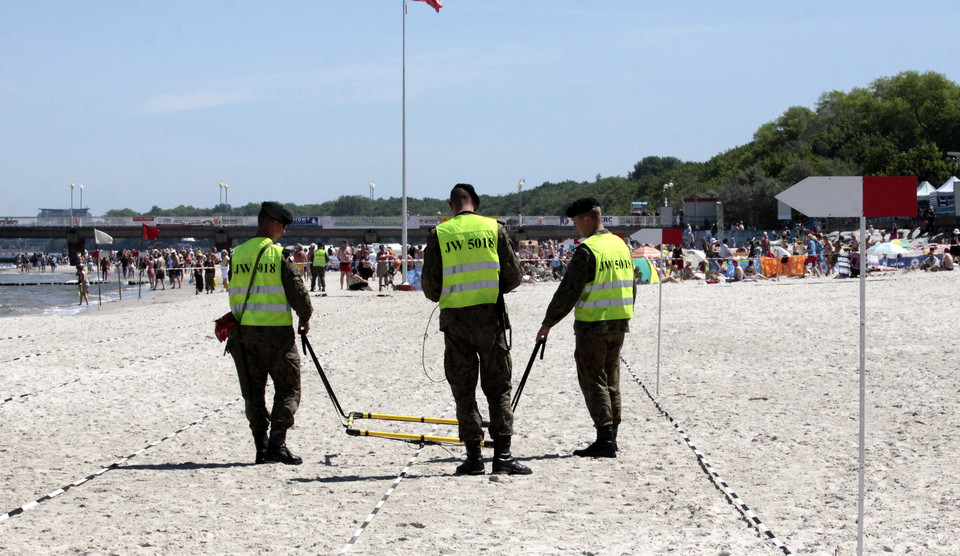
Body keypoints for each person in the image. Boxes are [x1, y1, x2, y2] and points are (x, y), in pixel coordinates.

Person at [421, 183, 530, 476]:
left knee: (464, 391)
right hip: (490, 319)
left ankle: (473, 458)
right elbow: (515, 276)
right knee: (498, 389)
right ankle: (503, 456)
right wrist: (491, 290)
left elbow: (430, 288)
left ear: (451, 206)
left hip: (455, 323)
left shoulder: (440, 234)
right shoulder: (494, 229)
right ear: (476, 205)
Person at [536, 197, 638, 459]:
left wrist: (548, 323)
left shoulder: (588, 250)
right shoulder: (621, 245)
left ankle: (604, 438)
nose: (575, 228)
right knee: (611, 378)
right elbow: (632, 285)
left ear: (588, 220)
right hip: (620, 321)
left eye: (576, 222)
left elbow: (568, 292)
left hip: (594, 323)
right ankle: (612, 435)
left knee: (594, 380)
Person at [226, 202, 313, 465]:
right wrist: (305, 317)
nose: (284, 232)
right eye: (283, 226)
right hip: (276, 335)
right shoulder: (277, 255)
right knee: (288, 388)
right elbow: (298, 293)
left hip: (243, 333)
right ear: (273, 223)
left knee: (253, 392)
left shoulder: (237, 253)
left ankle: (260, 447)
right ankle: (277, 444)